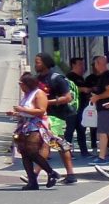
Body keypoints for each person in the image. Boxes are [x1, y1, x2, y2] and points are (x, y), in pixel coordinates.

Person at [32, 52, 79, 184]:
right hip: (42, 116)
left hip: (56, 116)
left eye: (38, 62)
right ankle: (71, 175)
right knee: (60, 144)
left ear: (46, 63)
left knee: (45, 143)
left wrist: (48, 102)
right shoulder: (36, 80)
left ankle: (34, 174)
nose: (36, 64)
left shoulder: (57, 78)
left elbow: (68, 97)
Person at [11, 69, 62, 190]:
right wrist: (16, 113)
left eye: (22, 84)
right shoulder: (27, 95)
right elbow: (26, 111)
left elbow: (41, 110)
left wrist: (22, 110)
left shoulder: (39, 94)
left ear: (28, 84)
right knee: (24, 152)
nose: (21, 87)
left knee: (32, 151)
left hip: (37, 126)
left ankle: (51, 172)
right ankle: (32, 181)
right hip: (25, 125)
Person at [84, 53, 109, 163]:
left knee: (102, 133)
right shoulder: (107, 75)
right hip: (107, 107)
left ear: (98, 64)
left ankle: (102, 157)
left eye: (94, 64)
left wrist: (97, 97)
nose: (94, 66)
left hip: (106, 107)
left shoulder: (106, 76)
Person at [64, 56, 93, 156]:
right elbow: (69, 89)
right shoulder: (70, 76)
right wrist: (83, 89)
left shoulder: (81, 77)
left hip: (82, 108)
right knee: (70, 131)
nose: (82, 66)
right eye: (80, 64)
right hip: (72, 108)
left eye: (83, 64)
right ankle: (66, 152)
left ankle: (84, 151)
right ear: (73, 65)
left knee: (81, 130)